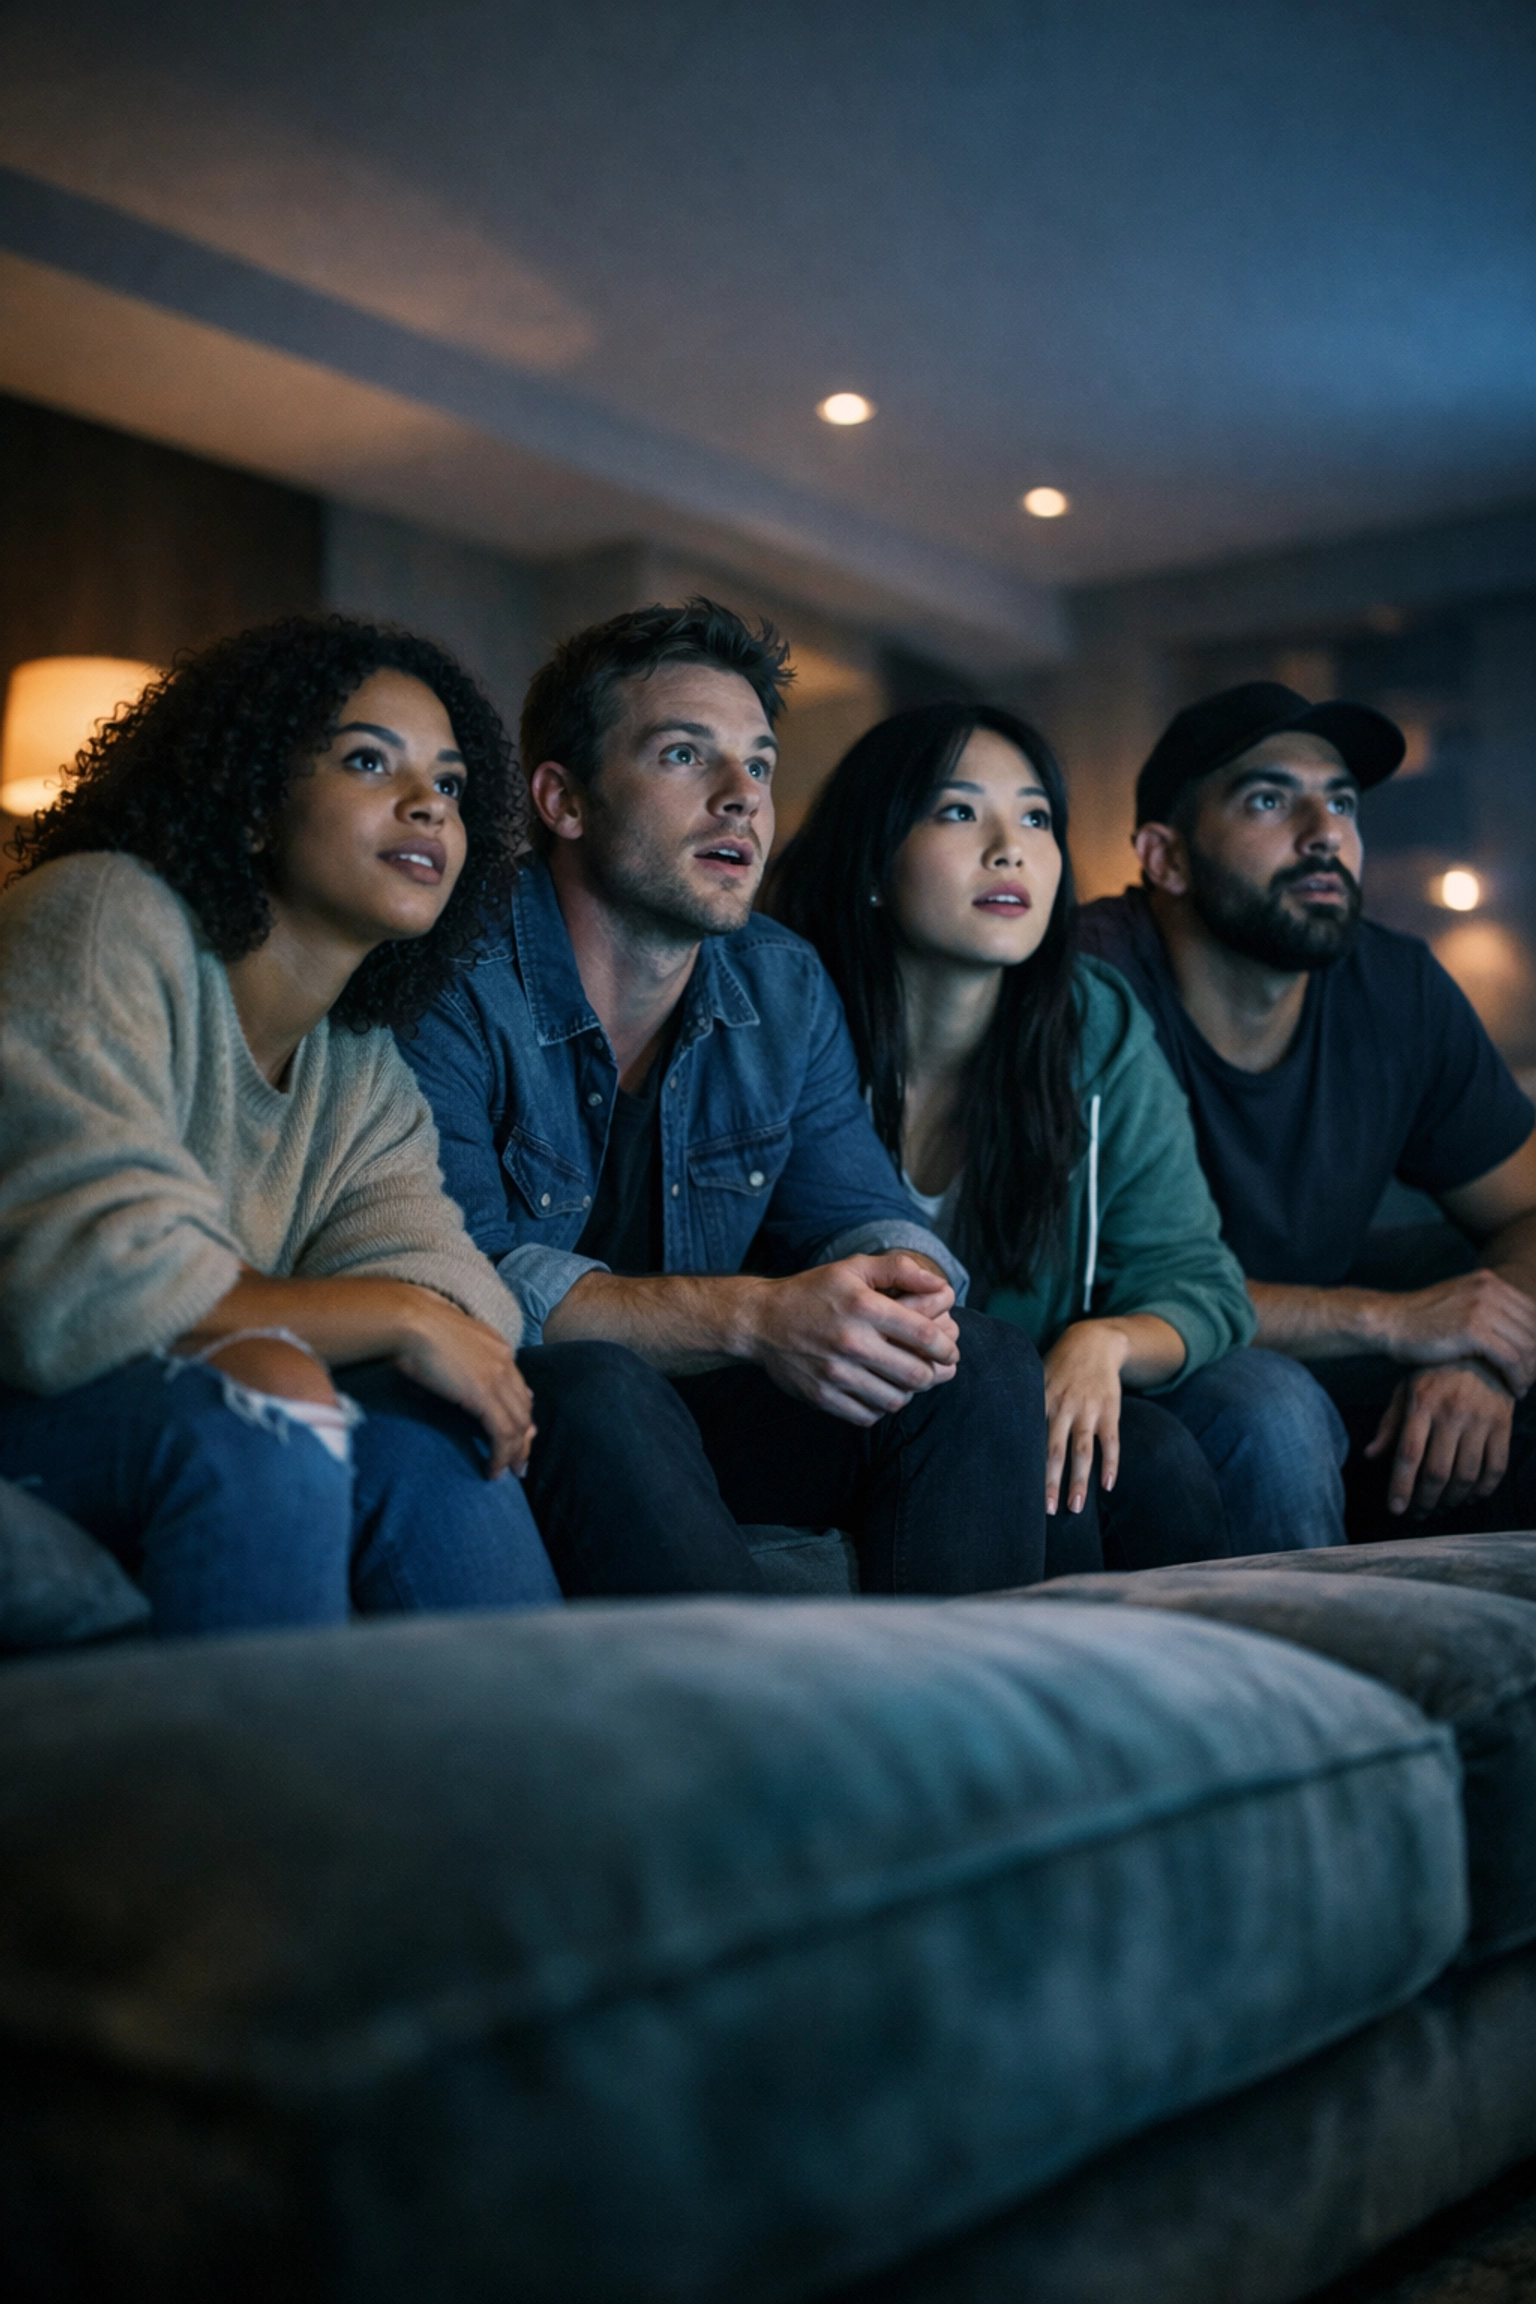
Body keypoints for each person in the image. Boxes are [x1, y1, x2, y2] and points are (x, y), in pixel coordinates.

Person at [401, 598, 1046, 1597]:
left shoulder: (781, 983)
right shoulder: (449, 972)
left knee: (983, 1361)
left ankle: (974, 1697)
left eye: (759, 764)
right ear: (563, 801)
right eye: (684, 755)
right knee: (603, 1386)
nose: (742, 796)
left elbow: (859, 1209)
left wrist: (905, 1294)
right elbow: (459, 1281)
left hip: (693, 1403)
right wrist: (755, 1317)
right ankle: (744, 1694)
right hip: (517, 1403)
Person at [0, 615, 561, 1635]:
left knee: (427, 1431)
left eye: (449, 785)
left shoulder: (358, 1064)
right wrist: (400, 1317)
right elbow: (88, 1282)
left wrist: (413, 1315)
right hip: (30, 1386)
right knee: (268, 1387)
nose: (428, 805)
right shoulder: (100, 918)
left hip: (147, 1397)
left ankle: (546, 1741)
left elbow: (461, 1300)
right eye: (368, 761)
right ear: (255, 801)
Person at [770, 700, 1344, 1567]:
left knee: (1182, 1443)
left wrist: (1103, 1341)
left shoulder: (1094, 1023)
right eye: (958, 811)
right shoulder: (784, 1016)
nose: (1011, 848)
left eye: (1036, 818)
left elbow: (1198, 1281)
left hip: (1027, 1394)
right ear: (873, 860)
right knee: (1114, 1470)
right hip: (830, 1404)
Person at [1080, 679, 1536, 1538]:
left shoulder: (1397, 987)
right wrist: (1393, 1320)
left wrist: (1486, 1352)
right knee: (1273, 1410)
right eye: (1269, 799)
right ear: (1166, 858)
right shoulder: (1086, 988)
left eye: (1342, 802)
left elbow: (1527, 1208)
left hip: (1311, 1335)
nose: (1325, 832)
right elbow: (1107, 1286)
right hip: (1129, 1351)